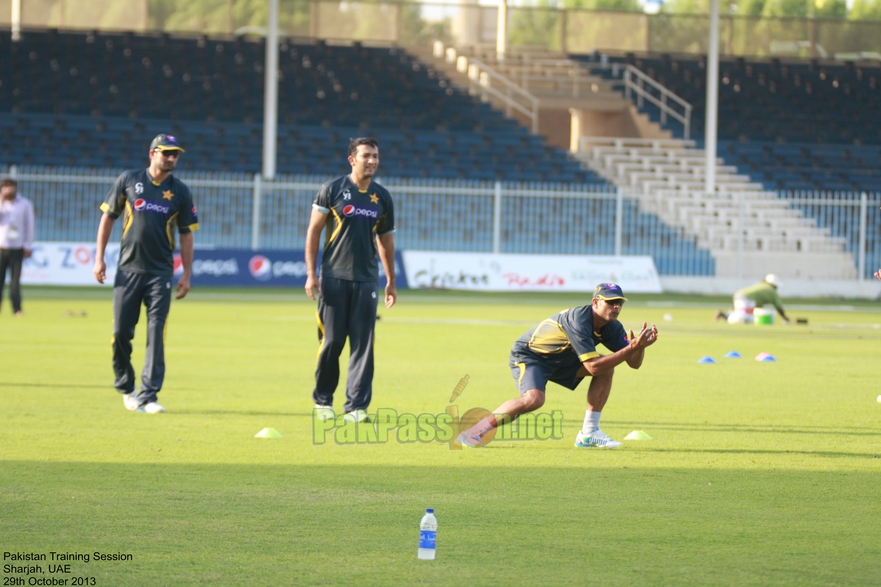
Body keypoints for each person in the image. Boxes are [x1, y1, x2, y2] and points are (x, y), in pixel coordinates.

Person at [457, 283, 660, 449]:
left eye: (619, 303)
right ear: (595, 303)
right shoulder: (579, 320)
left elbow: (634, 365)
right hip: (532, 356)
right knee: (534, 400)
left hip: (564, 359)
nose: (616, 307)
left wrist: (639, 348)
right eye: (611, 302)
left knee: (608, 367)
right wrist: (628, 349)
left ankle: (588, 433)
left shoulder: (612, 327)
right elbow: (593, 367)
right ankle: (475, 431)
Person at [93, 134, 199, 414]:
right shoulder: (129, 180)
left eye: (175, 154)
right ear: (152, 153)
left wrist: (186, 274)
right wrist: (99, 258)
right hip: (128, 270)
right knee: (120, 333)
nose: (172, 158)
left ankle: (149, 396)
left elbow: (187, 235)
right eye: (167, 153)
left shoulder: (181, 192)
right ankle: (127, 388)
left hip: (160, 273)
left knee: (156, 333)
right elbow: (108, 217)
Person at [304, 137, 396, 423]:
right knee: (331, 342)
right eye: (366, 155)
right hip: (333, 277)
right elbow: (313, 232)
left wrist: (390, 280)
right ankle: (322, 401)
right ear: (352, 159)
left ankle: (356, 407)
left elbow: (385, 240)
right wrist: (311, 273)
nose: (372, 160)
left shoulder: (382, 197)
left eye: (375, 156)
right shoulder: (332, 190)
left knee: (363, 345)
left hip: (367, 280)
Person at [0, 178, 35, 316]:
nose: (9, 189)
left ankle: (17, 309)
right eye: (6, 187)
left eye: (11, 186)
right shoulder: (1, 203)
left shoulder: (24, 204)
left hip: (17, 247)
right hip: (1, 247)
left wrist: (28, 245)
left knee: (15, 283)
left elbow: (29, 225)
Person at [715, 274, 789, 324]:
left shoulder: (760, 284)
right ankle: (730, 319)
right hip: (747, 298)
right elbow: (779, 307)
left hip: (739, 294)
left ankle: (724, 314)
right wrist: (785, 318)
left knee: (739, 311)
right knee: (745, 319)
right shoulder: (771, 291)